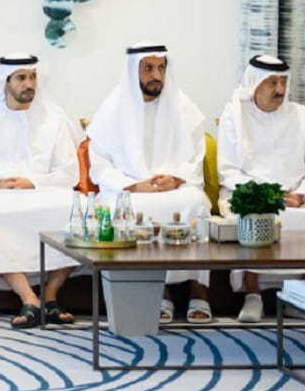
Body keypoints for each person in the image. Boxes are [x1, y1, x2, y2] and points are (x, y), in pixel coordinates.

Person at [0, 53, 83, 330]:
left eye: (32, 77)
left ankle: (51, 295)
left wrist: (33, 182)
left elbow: (70, 172)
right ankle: (28, 297)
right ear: (5, 82)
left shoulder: (54, 118)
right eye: (21, 78)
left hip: (44, 190)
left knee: (78, 210)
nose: (28, 84)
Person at [216, 54, 305, 323]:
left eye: (282, 82)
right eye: (272, 83)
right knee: (247, 217)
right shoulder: (234, 114)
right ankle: (253, 295)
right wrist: (265, 197)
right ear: (254, 84)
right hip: (248, 194)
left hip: (298, 196)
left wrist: (302, 195)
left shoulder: (301, 116)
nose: (279, 90)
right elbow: (228, 170)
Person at [85, 43, 213, 323]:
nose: (157, 75)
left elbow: (196, 153)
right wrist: (132, 185)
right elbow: (100, 165)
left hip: (175, 187)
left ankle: (198, 290)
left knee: (196, 203)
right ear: (134, 71)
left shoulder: (182, 105)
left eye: (161, 68)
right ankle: (161, 292)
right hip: (130, 189)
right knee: (123, 208)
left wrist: (176, 178)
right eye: (149, 68)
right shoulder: (113, 107)